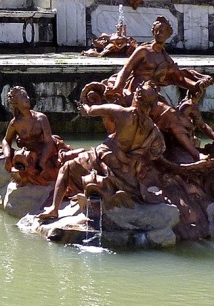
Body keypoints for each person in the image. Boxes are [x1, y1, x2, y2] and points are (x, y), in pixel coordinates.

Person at [38, 83, 167, 222]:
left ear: (137, 96)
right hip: (129, 172)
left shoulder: (122, 112)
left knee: (67, 167)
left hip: (107, 159)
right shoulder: (153, 129)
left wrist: (84, 107)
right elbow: (156, 153)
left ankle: (54, 209)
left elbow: (91, 110)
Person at [0, 86, 69, 186]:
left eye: (27, 96)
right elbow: (6, 140)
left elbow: (48, 142)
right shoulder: (15, 123)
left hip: (47, 152)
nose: (28, 98)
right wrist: (8, 157)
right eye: (24, 97)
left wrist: (42, 161)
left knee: (55, 168)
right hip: (30, 154)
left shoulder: (41, 118)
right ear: (16, 103)